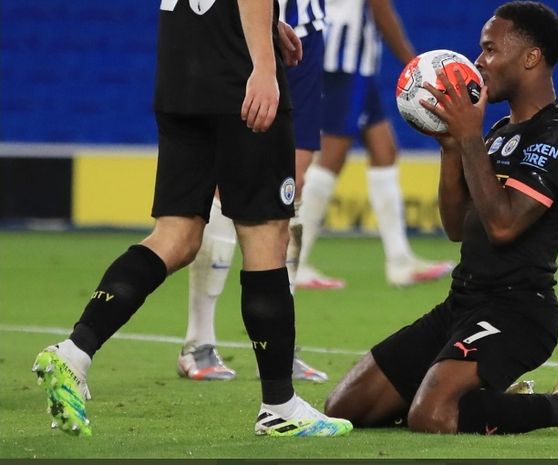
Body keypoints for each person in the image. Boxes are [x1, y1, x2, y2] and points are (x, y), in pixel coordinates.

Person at [324, 1, 558, 436]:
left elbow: (503, 225)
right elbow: (457, 227)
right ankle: (485, 403)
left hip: (518, 312)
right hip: (462, 304)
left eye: (490, 49)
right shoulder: (496, 134)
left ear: (531, 57)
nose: (478, 61)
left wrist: (470, 137)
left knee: (432, 416)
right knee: (345, 406)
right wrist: (451, 148)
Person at [31, 0, 352, 438]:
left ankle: (74, 353)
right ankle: (280, 405)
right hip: (236, 74)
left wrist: (268, 24)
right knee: (266, 236)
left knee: (176, 235)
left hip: (181, 70)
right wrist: (262, 65)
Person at [176, 0, 330, 383]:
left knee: (290, 191)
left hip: (306, 32)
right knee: (223, 181)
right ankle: (198, 341)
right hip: (238, 34)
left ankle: (283, 345)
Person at [295, 0, 454, 289]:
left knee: (384, 150)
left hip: (352, 58)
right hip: (344, 59)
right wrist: (414, 65)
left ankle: (399, 260)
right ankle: (295, 260)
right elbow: (381, 9)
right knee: (333, 153)